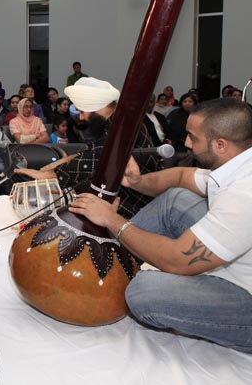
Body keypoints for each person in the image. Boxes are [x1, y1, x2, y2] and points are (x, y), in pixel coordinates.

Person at [69, 98, 252, 353]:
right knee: (176, 199)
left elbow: (178, 260)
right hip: (234, 266)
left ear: (220, 144)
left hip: (245, 295)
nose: (187, 143)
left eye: (193, 137)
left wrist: (112, 219)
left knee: (143, 293)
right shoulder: (239, 164)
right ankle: (101, 263)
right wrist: (137, 182)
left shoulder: (244, 193)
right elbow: (181, 176)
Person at [15, 76, 158, 218]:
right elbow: (92, 151)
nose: (81, 117)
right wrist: (58, 164)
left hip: (135, 211)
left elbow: (95, 158)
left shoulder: (121, 127)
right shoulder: (119, 120)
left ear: (96, 106)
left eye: (82, 111)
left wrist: (49, 175)